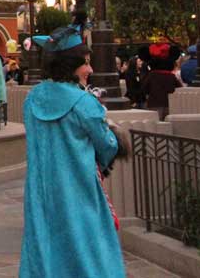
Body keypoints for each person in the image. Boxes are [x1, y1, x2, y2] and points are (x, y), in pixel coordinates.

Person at [19, 27, 130, 278]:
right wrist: (114, 137)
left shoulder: (32, 99)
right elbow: (108, 146)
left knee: (44, 243)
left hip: (41, 193)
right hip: (78, 191)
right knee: (88, 244)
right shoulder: (84, 103)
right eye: (86, 63)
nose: (90, 70)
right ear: (71, 65)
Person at [140, 43, 184, 120]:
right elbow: (180, 88)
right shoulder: (171, 76)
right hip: (169, 103)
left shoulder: (152, 75)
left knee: (156, 124)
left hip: (154, 104)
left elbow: (144, 88)